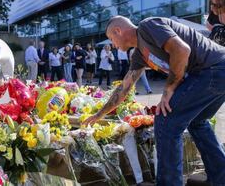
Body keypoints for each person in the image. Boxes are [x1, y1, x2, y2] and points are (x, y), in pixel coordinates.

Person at [83, 16, 225, 186]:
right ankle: (220, 178)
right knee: (197, 122)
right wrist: (99, 114)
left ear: (118, 31)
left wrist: (169, 89)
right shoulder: (138, 55)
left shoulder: (147, 26)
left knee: (166, 122)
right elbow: (124, 87)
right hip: (215, 72)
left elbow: (182, 50)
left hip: (212, 69)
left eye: (112, 39)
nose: (113, 44)